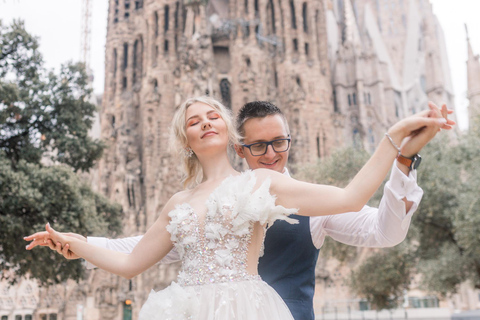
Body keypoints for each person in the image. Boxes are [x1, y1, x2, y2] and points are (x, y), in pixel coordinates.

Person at [25, 96, 452, 319]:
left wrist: (396, 148)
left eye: (213, 115)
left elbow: (357, 204)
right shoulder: (181, 203)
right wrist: (78, 244)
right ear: (236, 145)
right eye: (194, 121)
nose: (272, 153)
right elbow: (135, 255)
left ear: (227, 132)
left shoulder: (267, 184)